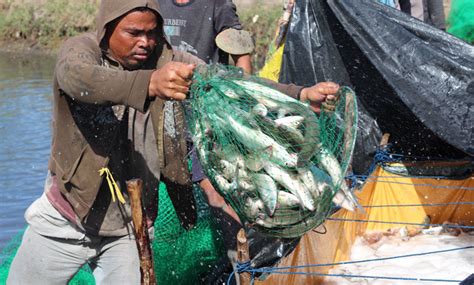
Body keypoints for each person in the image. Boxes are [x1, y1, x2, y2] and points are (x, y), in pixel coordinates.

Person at [6, 0, 340, 284]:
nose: (145, 42)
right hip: (67, 218)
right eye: (133, 32)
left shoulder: (172, 63)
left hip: (129, 226)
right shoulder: (81, 54)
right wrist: (149, 83)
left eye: (152, 32)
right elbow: (80, 80)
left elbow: (232, 83)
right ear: (107, 28)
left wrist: (299, 94)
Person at [158, 0, 253, 74]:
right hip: (165, 90)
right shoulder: (156, 3)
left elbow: (242, 58)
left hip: (207, 92)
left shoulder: (218, 4)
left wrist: (241, 94)